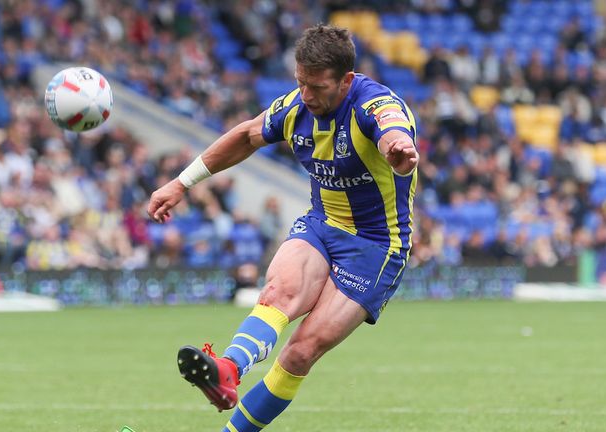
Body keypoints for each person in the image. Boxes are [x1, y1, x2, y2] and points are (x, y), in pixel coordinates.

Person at [147, 24, 418, 431]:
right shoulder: (296, 107)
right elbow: (245, 136)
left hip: (375, 246)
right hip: (322, 225)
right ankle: (228, 369)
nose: (306, 95)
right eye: (300, 82)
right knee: (278, 293)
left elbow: (392, 131)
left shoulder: (374, 104)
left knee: (300, 352)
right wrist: (181, 183)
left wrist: (398, 147)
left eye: (317, 86)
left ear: (345, 81)